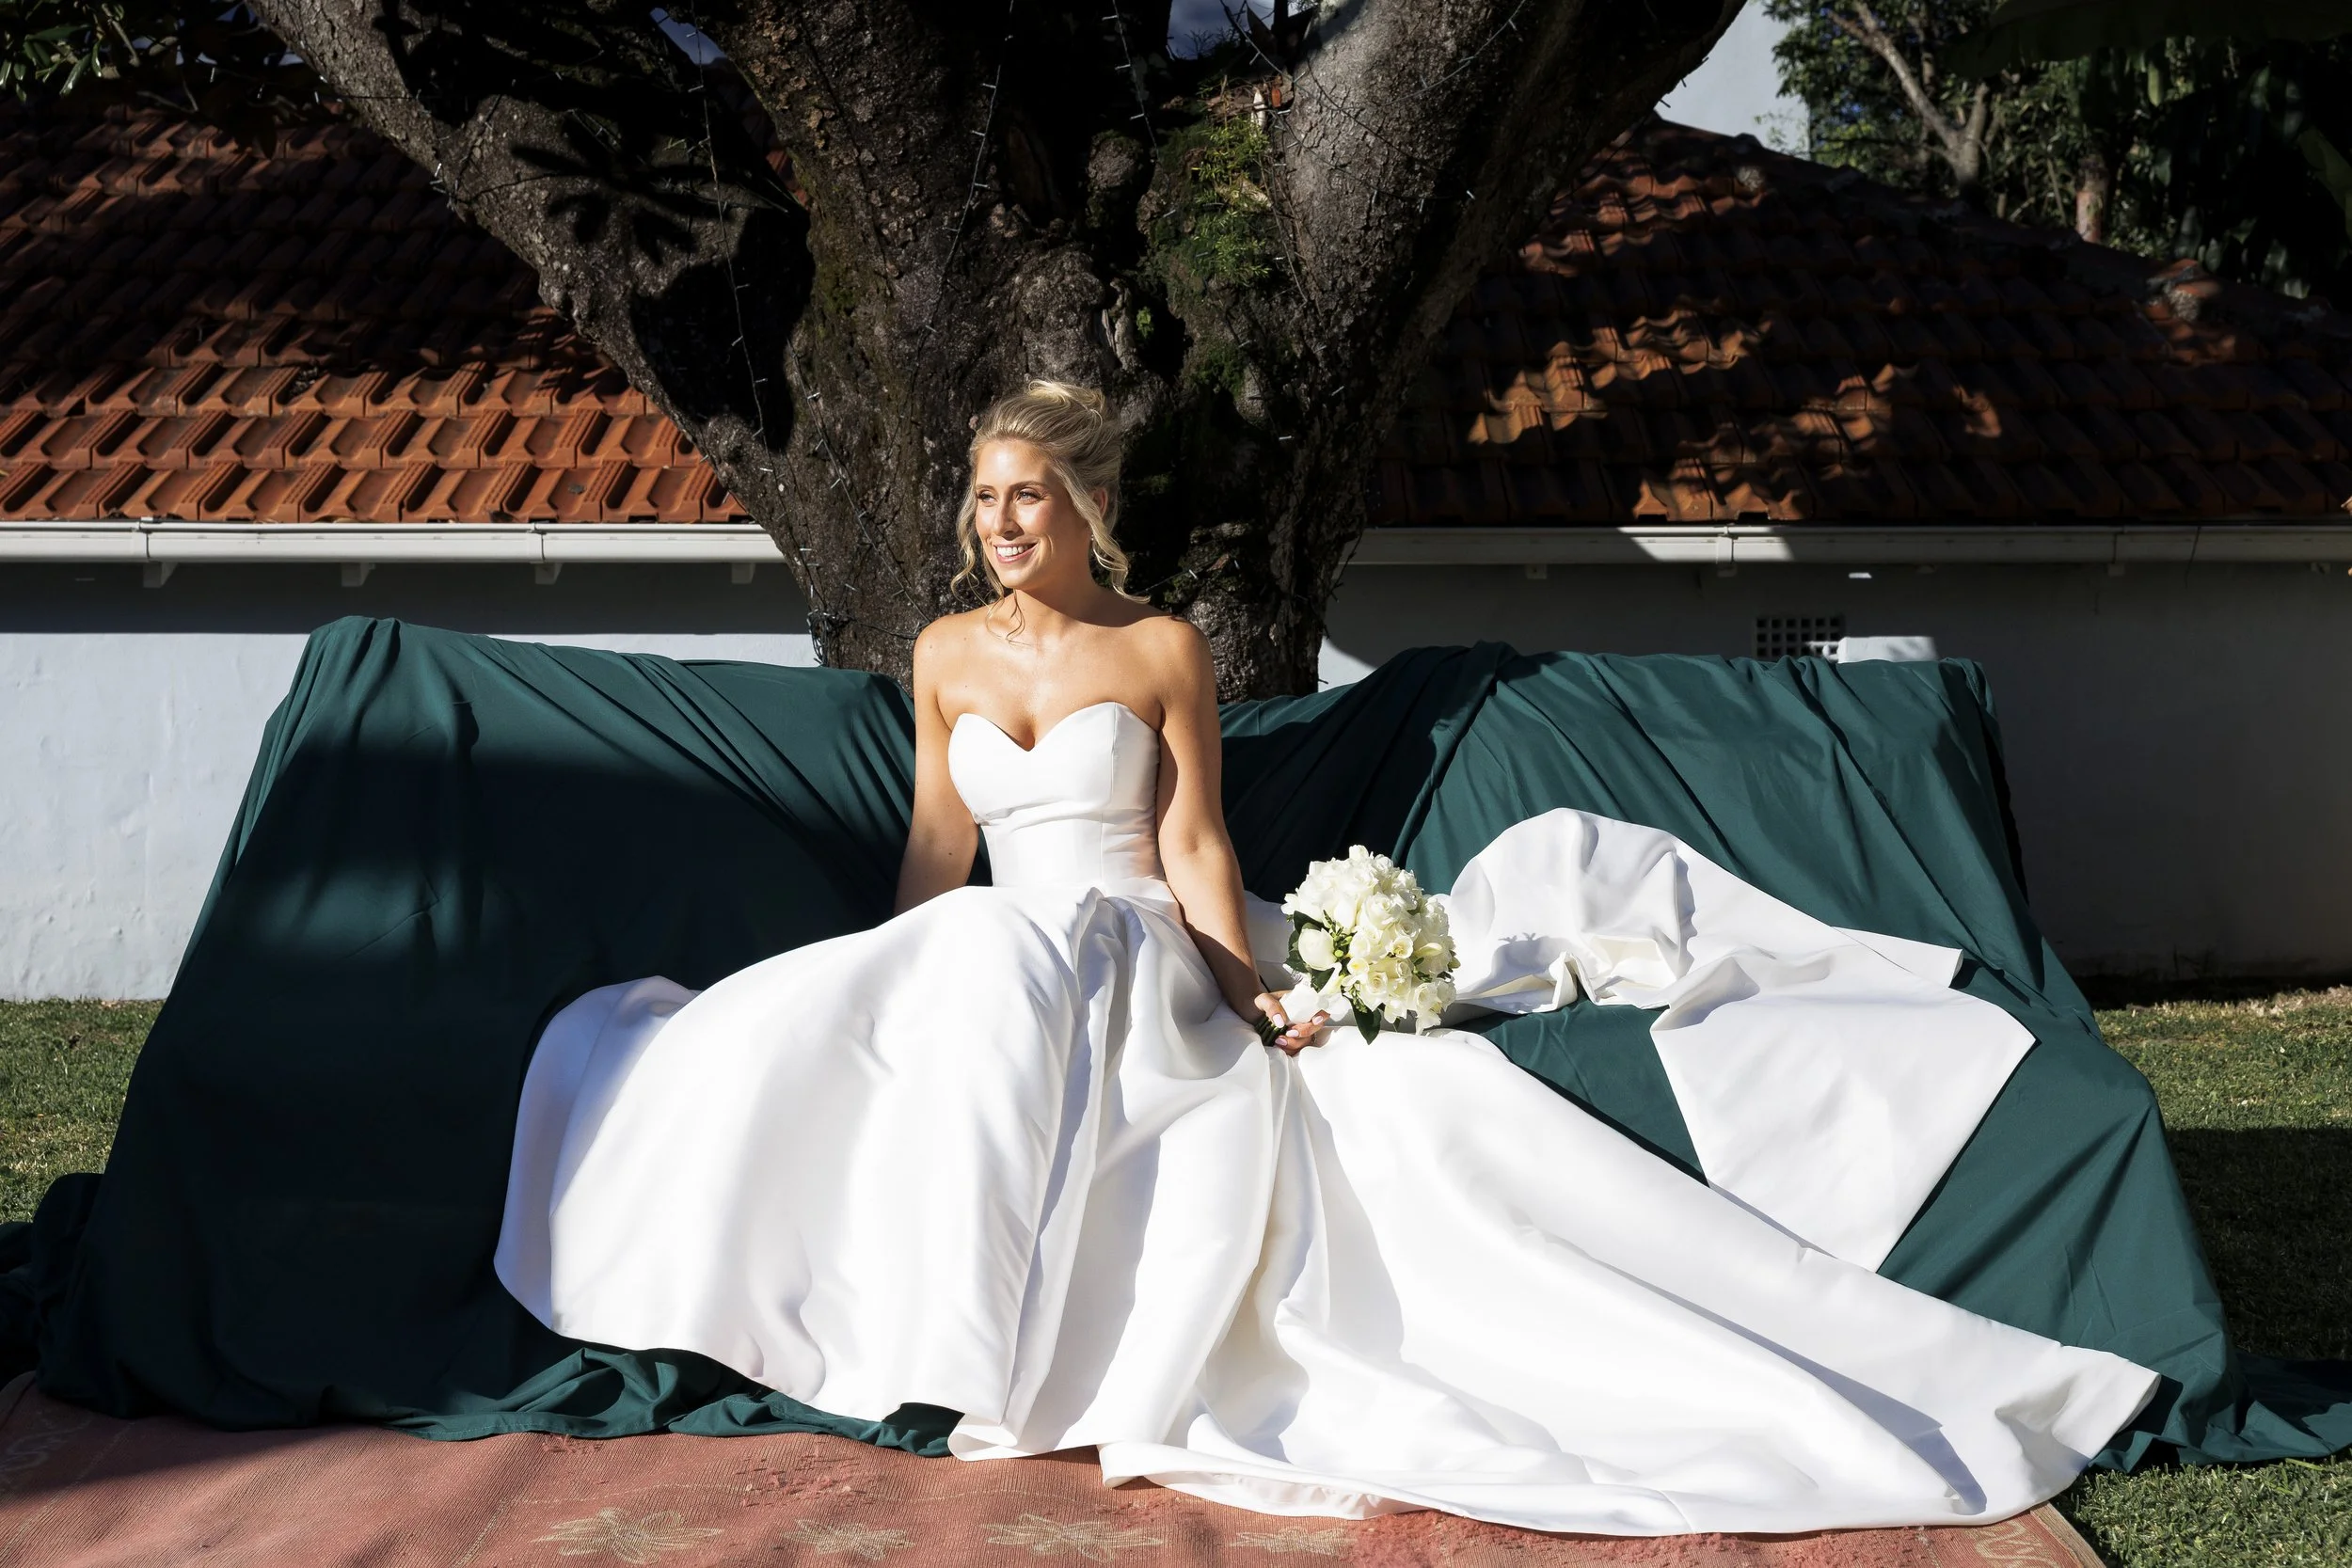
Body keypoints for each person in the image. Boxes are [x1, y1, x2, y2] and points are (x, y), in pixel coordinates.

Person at [494, 381, 2156, 1536]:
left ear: (1082, 504)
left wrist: (1241, 982)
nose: (1001, 522)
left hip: (1135, 938)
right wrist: (869, 981)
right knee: (884, 994)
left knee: (1031, 982)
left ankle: (1012, 1357)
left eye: (1027, 495)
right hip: (988, 931)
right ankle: (903, 1333)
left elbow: (1202, 843)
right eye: (984, 498)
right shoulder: (935, 652)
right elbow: (939, 851)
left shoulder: (1157, 647)